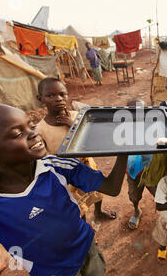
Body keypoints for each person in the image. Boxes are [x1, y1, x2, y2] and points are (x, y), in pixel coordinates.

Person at [0, 103, 128, 276]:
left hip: (86, 248)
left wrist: (125, 149)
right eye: (18, 133)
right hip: (53, 274)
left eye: (31, 125)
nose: (33, 133)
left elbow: (112, 188)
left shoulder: (57, 165)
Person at [36, 78, 117, 221]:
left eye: (62, 94)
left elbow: (91, 140)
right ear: (40, 99)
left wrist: (72, 125)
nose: (58, 99)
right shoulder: (41, 130)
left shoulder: (77, 116)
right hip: (67, 175)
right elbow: (46, 159)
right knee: (77, 204)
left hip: (87, 164)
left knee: (97, 192)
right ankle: (85, 225)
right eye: (51, 96)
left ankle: (99, 212)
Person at [125, 98, 154, 230]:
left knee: (159, 195)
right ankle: (137, 211)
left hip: (151, 170)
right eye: (132, 111)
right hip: (133, 171)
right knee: (134, 196)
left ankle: (165, 217)